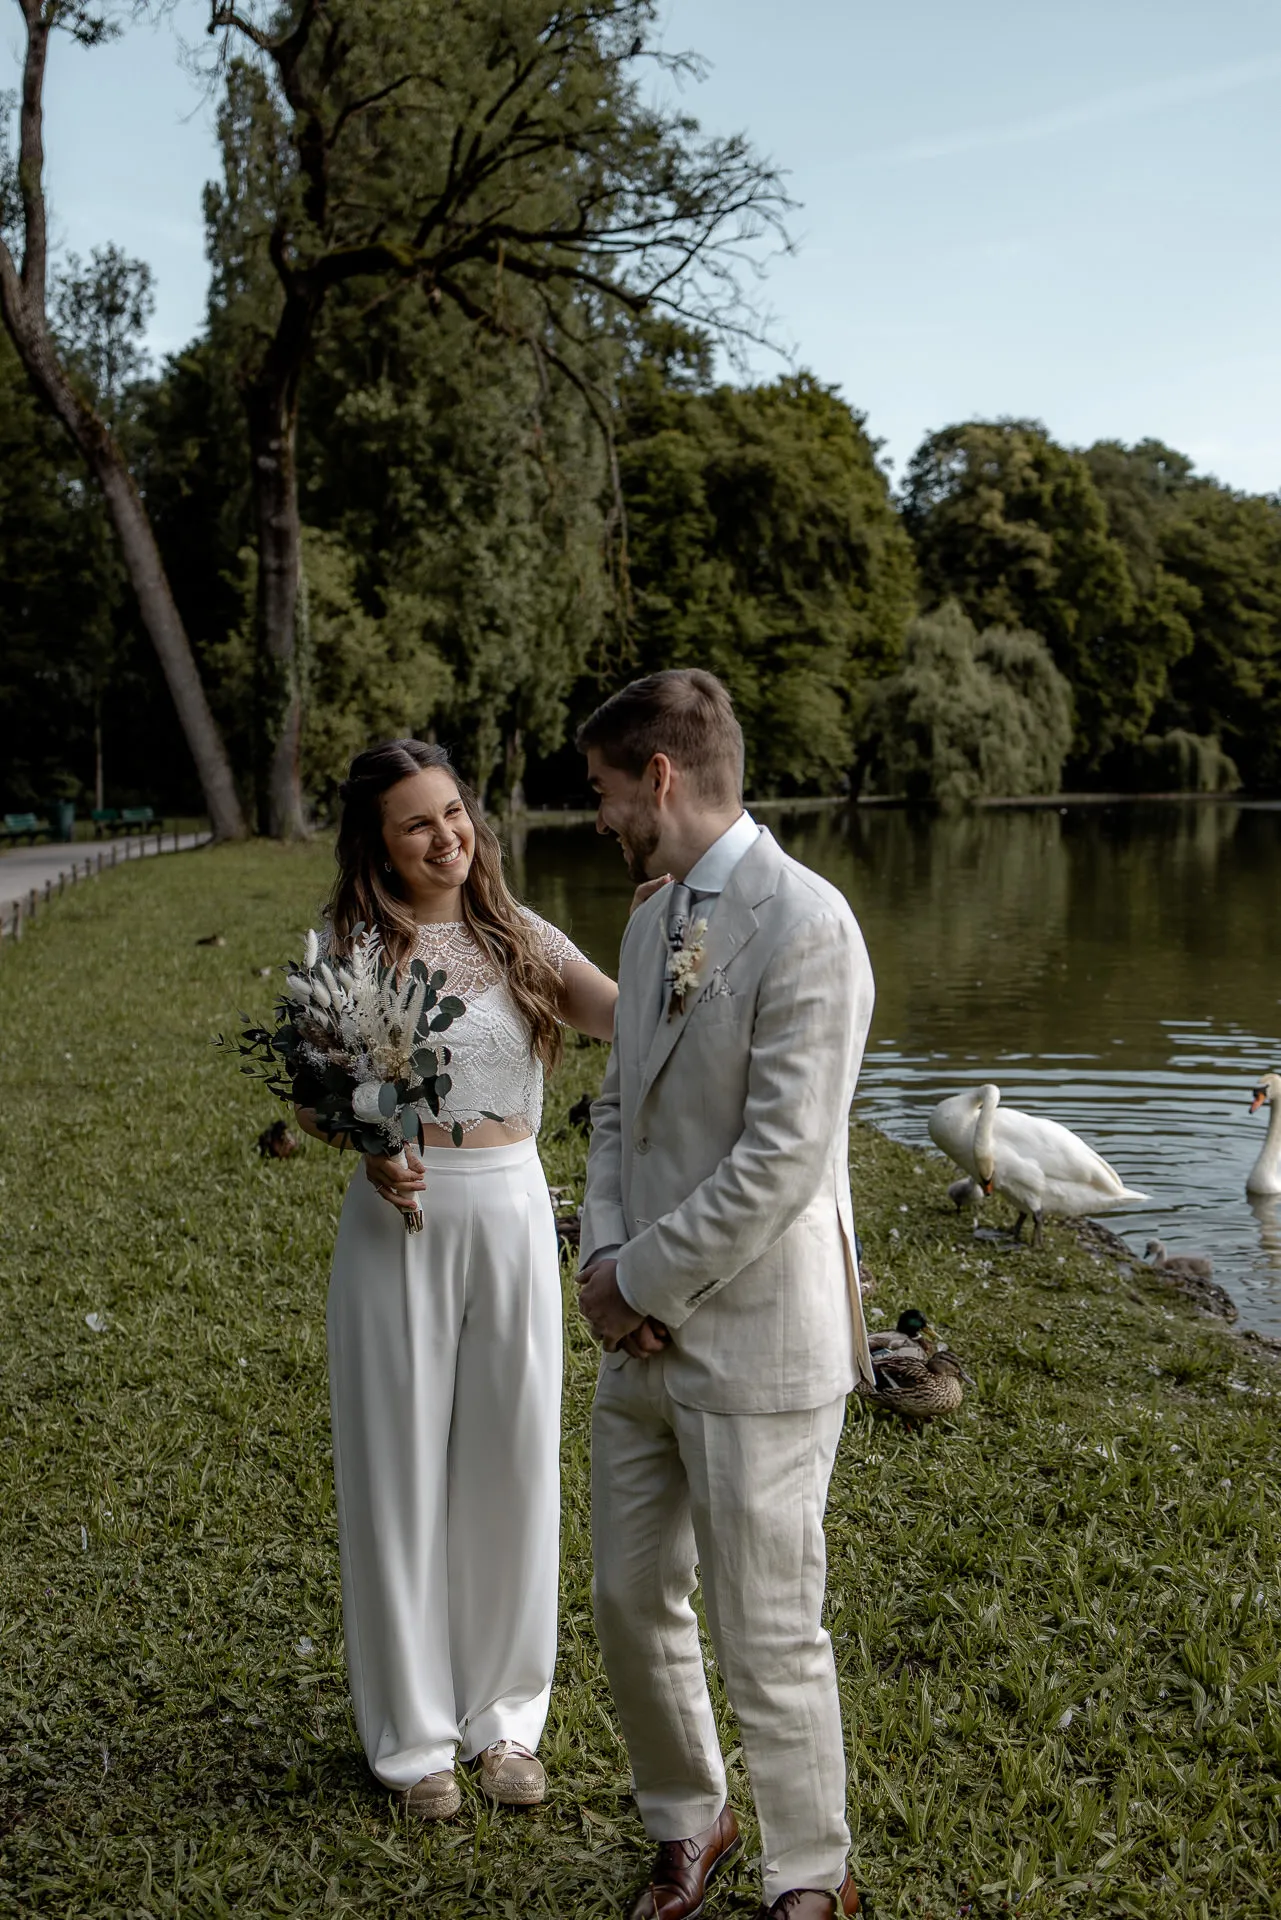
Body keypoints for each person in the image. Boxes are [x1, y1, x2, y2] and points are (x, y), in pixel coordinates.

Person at [575, 670, 876, 1920]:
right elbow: (612, 1113)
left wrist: (636, 1281)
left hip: (758, 1338)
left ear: (660, 777)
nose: (596, 817)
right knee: (629, 1597)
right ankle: (688, 1817)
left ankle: (814, 1875)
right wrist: (602, 1265)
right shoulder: (651, 923)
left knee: (769, 1628)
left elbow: (781, 1162)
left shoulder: (810, 924)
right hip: (637, 1336)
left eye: (601, 793)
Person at [295, 738, 617, 1820]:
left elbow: (624, 1013)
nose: (448, 837)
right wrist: (369, 1144)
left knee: (514, 1459)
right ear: (378, 845)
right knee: (398, 1474)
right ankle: (413, 1740)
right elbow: (311, 1096)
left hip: (516, 1206)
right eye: (418, 823)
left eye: (455, 812)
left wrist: (697, 939)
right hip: (403, 1223)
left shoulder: (517, 935)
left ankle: (507, 1721)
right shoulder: (346, 947)